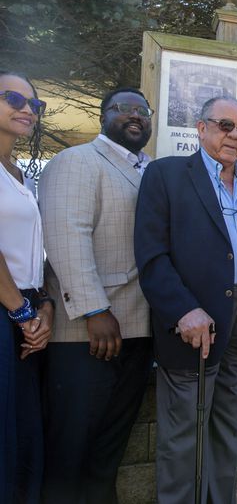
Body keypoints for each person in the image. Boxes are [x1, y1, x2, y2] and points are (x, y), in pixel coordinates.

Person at [134, 96, 237, 503]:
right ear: (201, 129)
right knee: (183, 432)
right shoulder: (166, 175)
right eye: (224, 126)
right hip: (196, 322)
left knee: (230, 425)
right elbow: (151, 256)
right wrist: (184, 310)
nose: (234, 135)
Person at [37, 88, 154, 504]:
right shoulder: (76, 162)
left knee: (107, 453)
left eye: (143, 110)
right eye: (125, 109)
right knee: (71, 453)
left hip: (138, 331)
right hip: (86, 335)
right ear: (104, 116)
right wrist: (94, 308)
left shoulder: (149, 170)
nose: (135, 116)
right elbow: (67, 237)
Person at [0, 70, 52, 504]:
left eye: (34, 104)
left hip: (27, 313)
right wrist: (20, 311)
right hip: (9, 311)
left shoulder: (18, 171)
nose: (26, 109)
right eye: (13, 99)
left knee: (24, 433)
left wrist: (43, 307)